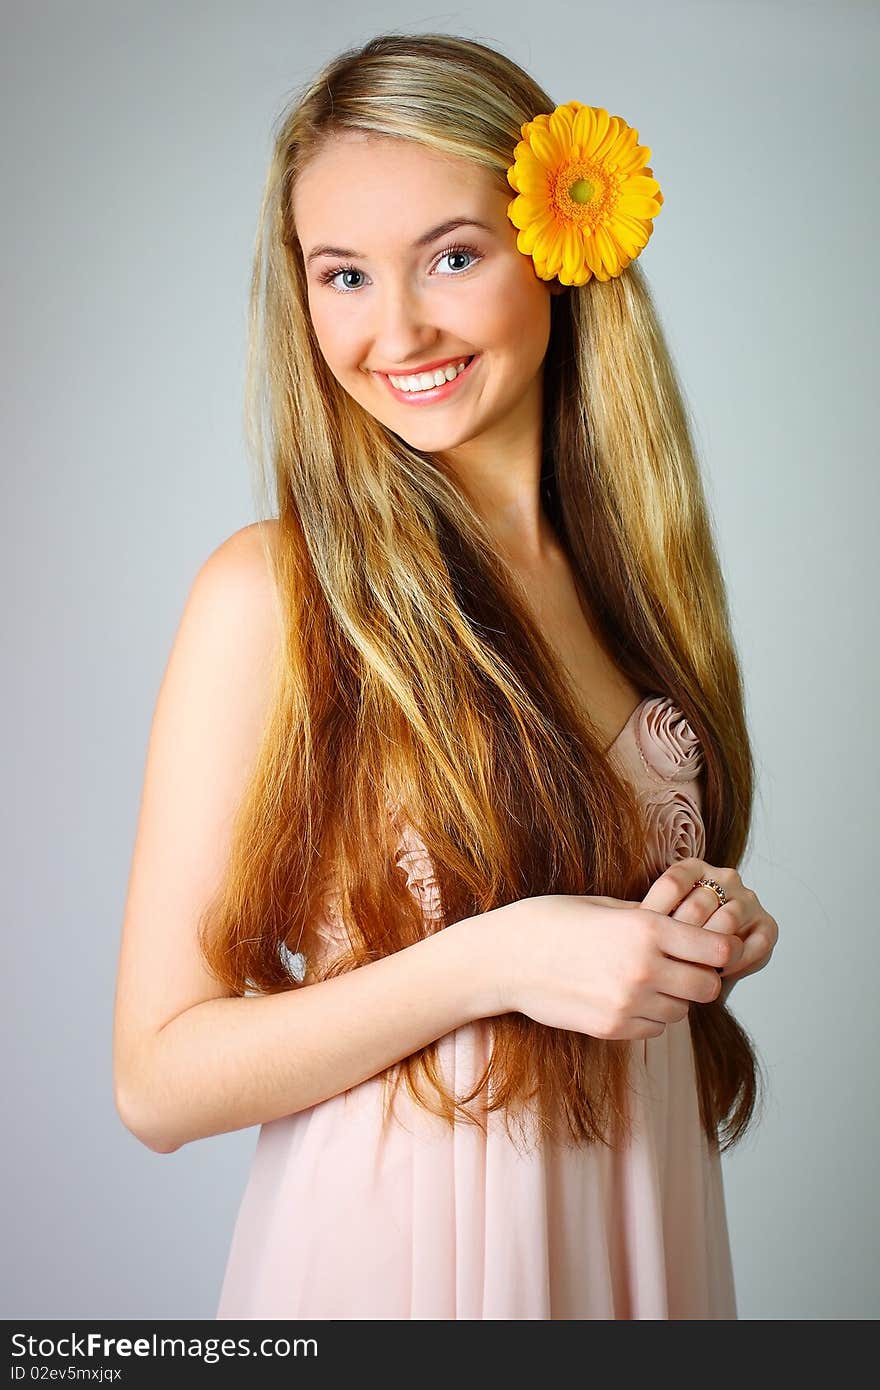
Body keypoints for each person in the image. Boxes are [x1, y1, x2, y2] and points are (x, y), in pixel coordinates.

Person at [112, 32, 779, 1320]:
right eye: (343, 275)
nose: (396, 329)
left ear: (561, 253)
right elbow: (157, 1079)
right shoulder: (276, 594)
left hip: (635, 1234)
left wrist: (705, 929)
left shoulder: (633, 589)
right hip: (407, 1267)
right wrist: (498, 958)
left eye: (453, 257)